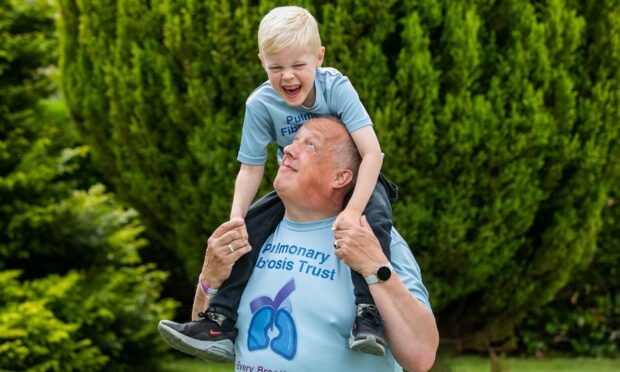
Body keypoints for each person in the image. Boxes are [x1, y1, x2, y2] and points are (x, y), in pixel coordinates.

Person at [158, 5, 397, 359]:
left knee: (371, 223)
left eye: (299, 65)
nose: (288, 77)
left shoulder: (337, 87)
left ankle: (369, 315)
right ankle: (220, 320)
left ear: (319, 57)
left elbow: (372, 154)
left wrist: (354, 210)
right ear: (261, 62)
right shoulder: (261, 104)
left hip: (355, 178)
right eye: (276, 67)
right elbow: (250, 168)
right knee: (251, 227)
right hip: (299, 186)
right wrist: (236, 218)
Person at [160, 117, 439, 371]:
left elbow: (421, 357)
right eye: (293, 141)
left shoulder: (373, 241)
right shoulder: (254, 234)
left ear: (340, 177)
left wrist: (376, 267)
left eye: (310, 145)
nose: (289, 150)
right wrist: (209, 279)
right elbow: (207, 332)